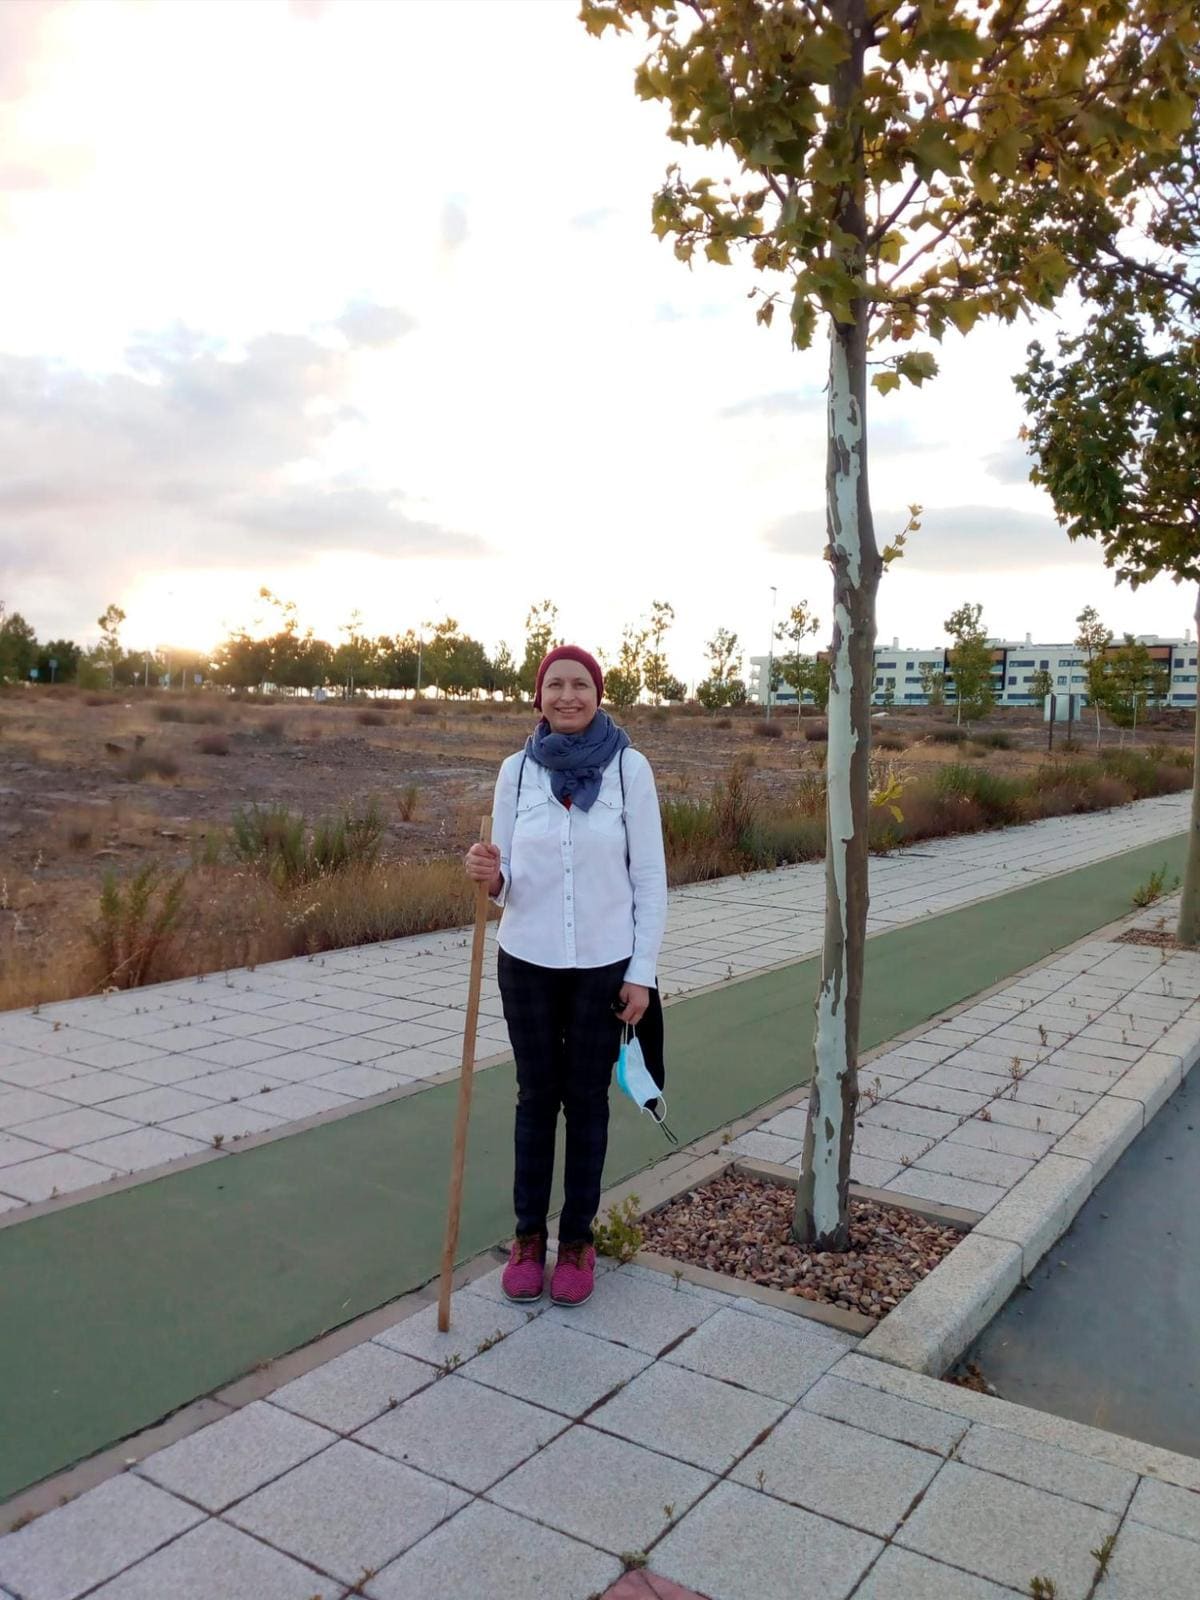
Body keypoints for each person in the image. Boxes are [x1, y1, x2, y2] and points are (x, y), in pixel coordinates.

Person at [464, 645, 667, 1308]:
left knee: (586, 1101)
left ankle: (576, 1240)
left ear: (599, 694)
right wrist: (489, 875)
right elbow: (505, 885)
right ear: (539, 696)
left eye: (581, 684)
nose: (569, 696)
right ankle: (528, 1238)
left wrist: (643, 973)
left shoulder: (630, 770)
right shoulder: (516, 774)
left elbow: (649, 879)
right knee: (534, 1098)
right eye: (556, 685)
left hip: (603, 965)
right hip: (527, 960)